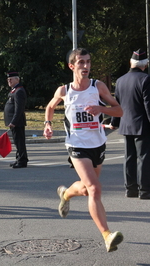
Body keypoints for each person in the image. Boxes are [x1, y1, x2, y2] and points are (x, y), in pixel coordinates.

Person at [43, 48, 124, 252]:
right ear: (72, 66)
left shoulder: (98, 87)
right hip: (77, 145)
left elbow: (120, 110)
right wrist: (48, 124)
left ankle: (66, 194)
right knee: (95, 189)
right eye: (81, 62)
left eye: (88, 62)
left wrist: (101, 109)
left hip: (97, 144)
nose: (86, 66)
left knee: (88, 189)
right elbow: (50, 106)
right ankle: (107, 235)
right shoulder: (64, 91)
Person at [110, 49, 150, 199]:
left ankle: (130, 189)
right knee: (144, 158)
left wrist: (114, 122)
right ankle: (145, 190)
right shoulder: (146, 80)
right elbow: (148, 105)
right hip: (143, 125)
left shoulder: (120, 80)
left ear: (130, 63)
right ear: (145, 65)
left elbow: (117, 104)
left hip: (126, 125)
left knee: (129, 157)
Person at [4, 71, 28, 168]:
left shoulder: (19, 91)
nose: (9, 81)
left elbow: (19, 109)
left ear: (17, 79)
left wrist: (14, 121)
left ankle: (22, 161)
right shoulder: (14, 90)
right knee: (17, 141)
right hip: (14, 122)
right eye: (8, 79)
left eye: (11, 79)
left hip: (17, 122)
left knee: (19, 141)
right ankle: (19, 158)